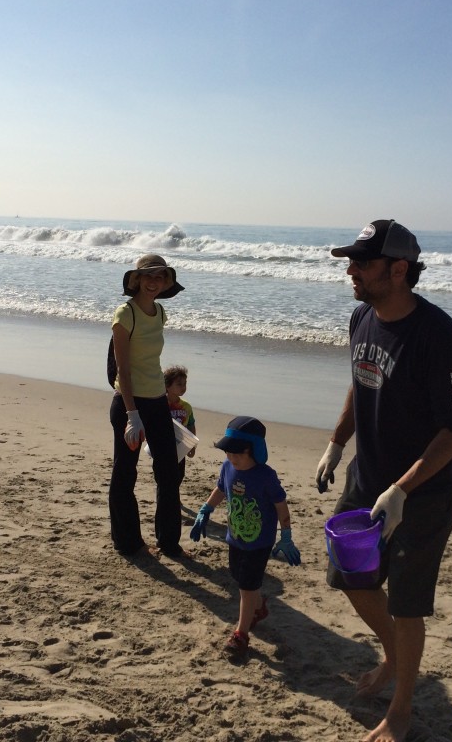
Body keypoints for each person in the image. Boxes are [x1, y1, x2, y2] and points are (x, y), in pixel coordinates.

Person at [316, 219, 452, 742]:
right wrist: (337, 443)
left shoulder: (440, 338)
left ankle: (401, 708)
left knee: (406, 604)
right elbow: (360, 380)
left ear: (399, 270)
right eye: (351, 262)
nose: (351, 271)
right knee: (350, 577)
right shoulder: (362, 316)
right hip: (368, 479)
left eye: (363, 263)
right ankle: (393, 656)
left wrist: (403, 489)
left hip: (424, 494)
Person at [189, 416, 301, 658]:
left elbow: (281, 505)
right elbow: (221, 489)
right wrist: (205, 510)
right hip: (235, 536)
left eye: (237, 453)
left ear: (254, 450)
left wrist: (286, 535)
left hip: (259, 543)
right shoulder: (227, 467)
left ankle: (241, 634)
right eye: (228, 452)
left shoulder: (265, 476)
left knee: (246, 587)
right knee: (237, 575)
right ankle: (259, 607)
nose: (231, 457)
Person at [109, 254, 186, 557]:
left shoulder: (160, 312)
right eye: (148, 276)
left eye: (160, 277)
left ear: (165, 282)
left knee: (169, 472)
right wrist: (132, 416)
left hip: (157, 401)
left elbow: (151, 360)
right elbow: (123, 369)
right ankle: (128, 543)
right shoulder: (125, 314)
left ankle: (169, 543)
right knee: (125, 473)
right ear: (137, 280)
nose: (154, 282)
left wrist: (166, 397)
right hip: (131, 404)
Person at [163, 365, 197, 482]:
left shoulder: (186, 407)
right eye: (179, 384)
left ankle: (174, 494)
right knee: (163, 476)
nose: (183, 387)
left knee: (179, 475)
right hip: (162, 446)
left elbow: (191, 426)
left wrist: (192, 446)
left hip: (180, 447)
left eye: (185, 384)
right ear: (167, 386)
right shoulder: (160, 404)